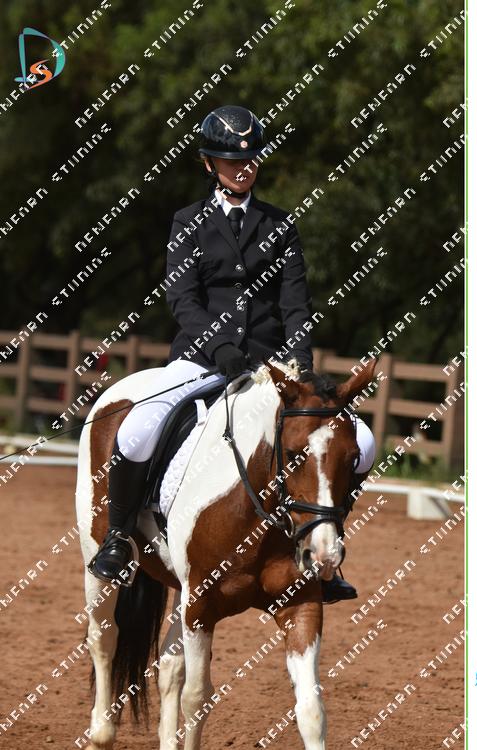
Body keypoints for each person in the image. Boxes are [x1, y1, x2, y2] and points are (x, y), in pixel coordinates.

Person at [88, 105, 376, 602]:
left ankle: (325, 548)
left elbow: (295, 305)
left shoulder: (280, 225)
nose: (243, 168)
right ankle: (119, 538)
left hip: (270, 370)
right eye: (230, 161)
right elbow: (183, 299)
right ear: (209, 163)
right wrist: (219, 346)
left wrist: (300, 371)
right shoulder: (188, 223)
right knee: (136, 430)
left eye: (250, 160)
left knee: (363, 442)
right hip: (200, 361)